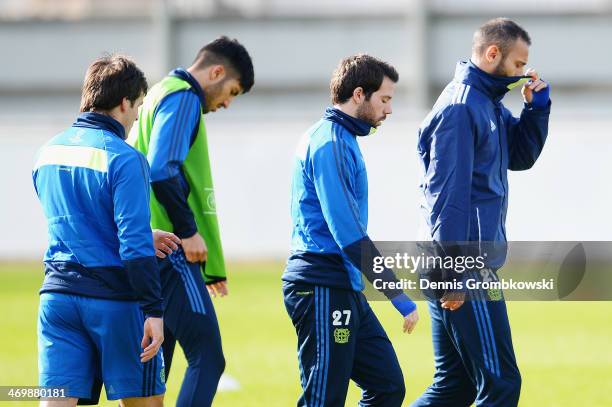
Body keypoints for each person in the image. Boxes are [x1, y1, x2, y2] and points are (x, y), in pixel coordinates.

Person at [412, 18, 551, 407]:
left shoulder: (485, 103)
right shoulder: (461, 108)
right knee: (501, 384)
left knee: (453, 386)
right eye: (519, 64)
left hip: (456, 263)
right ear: (493, 54)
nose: (523, 72)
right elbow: (447, 196)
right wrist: (454, 272)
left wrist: (536, 110)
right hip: (463, 265)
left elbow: (520, 157)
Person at [33, 54, 181, 407]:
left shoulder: (47, 152)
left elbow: (81, 224)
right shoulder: (125, 158)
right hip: (115, 303)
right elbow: (131, 246)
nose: (136, 118)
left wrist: (145, 236)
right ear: (124, 103)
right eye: (138, 107)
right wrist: (154, 311)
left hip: (57, 302)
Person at [282, 54, 419, 407]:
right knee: (323, 400)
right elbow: (348, 236)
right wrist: (398, 296)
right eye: (385, 99)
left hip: (344, 284)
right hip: (322, 284)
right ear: (359, 94)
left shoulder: (340, 138)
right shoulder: (330, 143)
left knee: (387, 386)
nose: (389, 110)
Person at [129, 36, 254, 407]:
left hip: (143, 247)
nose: (227, 103)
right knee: (208, 357)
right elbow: (162, 171)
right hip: (170, 249)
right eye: (231, 91)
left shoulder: (157, 93)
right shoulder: (184, 96)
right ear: (216, 72)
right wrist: (189, 232)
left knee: (154, 368)